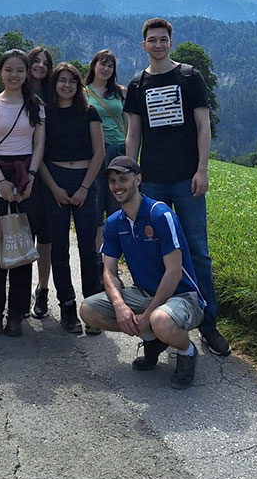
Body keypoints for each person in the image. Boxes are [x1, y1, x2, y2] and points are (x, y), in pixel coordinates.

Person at [124, 18, 230, 356]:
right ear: (144, 45)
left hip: (187, 179)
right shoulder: (138, 84)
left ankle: (208, 324)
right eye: (152, 40)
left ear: (171, 42)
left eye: (163, 39)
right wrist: (131, 174)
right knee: (153, 253)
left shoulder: (189, 77)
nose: (157, 44)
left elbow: (203, 126)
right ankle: (156, 332)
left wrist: (202, 170)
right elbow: (133, 134)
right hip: (152, 180)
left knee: (198, 251)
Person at [79, 156, 205, 389]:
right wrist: (120, 307)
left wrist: (147, 315)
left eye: (124, 179)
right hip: (143, 293)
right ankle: (153, 338)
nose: (117, 186)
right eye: (113, 180)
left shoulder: (160, 214)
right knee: (88, 310)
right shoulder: (115, 223)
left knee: (159, 320)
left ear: (138, 180)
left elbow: (174, 272)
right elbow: (109, 272)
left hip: (182, 296)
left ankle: (186, 351)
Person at [0, 50, 45, 336]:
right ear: (0, 72)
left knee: (22, 247)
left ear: (27, 73)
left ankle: (16, 313)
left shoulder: (35, 105)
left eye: (19, 70)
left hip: (26, 177)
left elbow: (39, 144)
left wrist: (29, 177)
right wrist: (2, 182)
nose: (14, 75)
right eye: (8, 70)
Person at [37, 63, 104, 333]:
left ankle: (93, 309)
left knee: (89, 248)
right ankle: (66, 305)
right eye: (61, 80)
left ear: (78, 85)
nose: (66, 85)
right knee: (59, 248)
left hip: (85, 181)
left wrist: (84, 188)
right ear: (54, 85)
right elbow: (39, 155)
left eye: (72, 81)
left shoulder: (89, 112)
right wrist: (54, 187)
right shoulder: (46, 113)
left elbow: (99, 153)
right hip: (55, 179)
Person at [84, 48, 127, 266]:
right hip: (95, 151)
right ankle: (98, 261)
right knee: (96, 205)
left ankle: (114, 259)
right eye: (102, 63)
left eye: (110, 66)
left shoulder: (120, 92)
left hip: (118, 151)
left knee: (118, 207)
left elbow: (128, 123)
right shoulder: (83, 93)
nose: (106, 68)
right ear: (93, 65)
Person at [26, 45, 54, 318]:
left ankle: (42, 289)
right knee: (20, 233)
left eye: (46, 62)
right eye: (36, 61)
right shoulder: (16, 93)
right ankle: (20, 291)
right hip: (21, 170)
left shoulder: (53, 94)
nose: (41, 66)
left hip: (48, 172)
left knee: (44, 237)